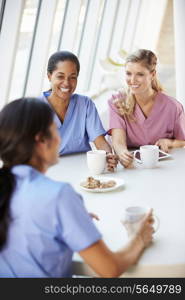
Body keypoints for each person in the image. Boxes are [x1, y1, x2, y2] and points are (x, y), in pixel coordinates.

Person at [0, 98, 154, 278]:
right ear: (41, 140)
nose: (60, 138)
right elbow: (109, 269)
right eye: (54, 130)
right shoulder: (58, 196)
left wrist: (65, 219)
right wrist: (140, 238)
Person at [108, 49, 185, 168]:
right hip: (132, 166)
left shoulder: (173, 107)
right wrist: (122, 153)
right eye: (128, 73)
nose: (132, 80)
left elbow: (182, 140)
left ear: (152, 74)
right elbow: (118, 141)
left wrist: (169, 142)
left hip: (164, 167)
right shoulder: (117, 102)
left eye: (140, 74)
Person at [41, 50, 117, 171]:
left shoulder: (85, 104)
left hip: (82, 169)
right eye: (60, 76)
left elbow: (100, 142)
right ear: (49, 76)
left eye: (72, 77)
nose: (66, 83)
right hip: (49, 169)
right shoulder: (35, 108)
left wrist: (108, 155)